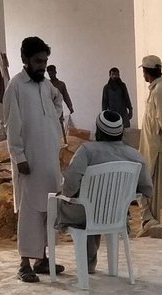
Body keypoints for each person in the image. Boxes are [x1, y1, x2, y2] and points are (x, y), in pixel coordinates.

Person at [54, 110, 153, 272]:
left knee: (68, 204)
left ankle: (73, 262)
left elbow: (70, 184)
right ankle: (92, 263)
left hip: (86, 214)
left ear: (98, 131)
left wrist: (74, 194)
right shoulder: (134, 155)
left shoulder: (87, 151)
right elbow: (147, 189)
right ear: (120, 133)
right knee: (94, 207)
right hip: (117, 215)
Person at [4, 35, 68, 283]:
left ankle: (42, 259)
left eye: (45, 61)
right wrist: (18, 156)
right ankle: (24, 264)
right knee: (29, 211)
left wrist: (53, 115)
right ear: (25, 59)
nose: (42, 66)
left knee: (48, 210)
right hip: (28, 161)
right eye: (38, 61)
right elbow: (12, 126)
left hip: (49, 160)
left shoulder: (46, 85)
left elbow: (58, 99)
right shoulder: (16, 87)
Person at [138, 54, 162, 231]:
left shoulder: (160, 90)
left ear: (147, 72)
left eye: (144, 72)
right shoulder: (155, 89)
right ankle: (148, 220)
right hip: (150, 145)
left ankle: (151, 220)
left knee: (151, 186)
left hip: (157, 145)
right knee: (145, 182)